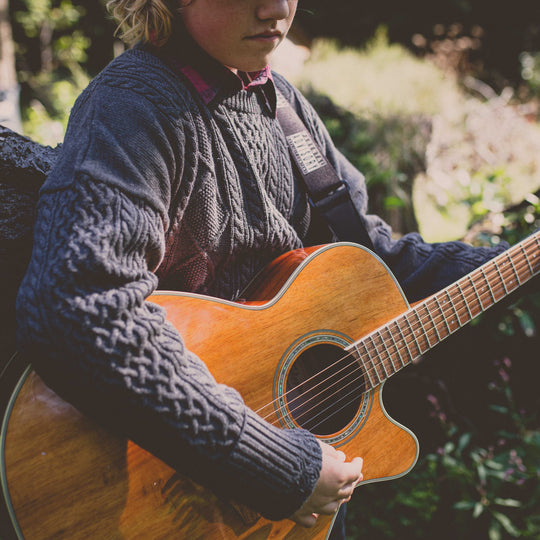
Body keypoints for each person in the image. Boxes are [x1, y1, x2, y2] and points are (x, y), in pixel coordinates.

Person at [15, 0, 507, 537]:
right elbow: (75, 307)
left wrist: (519, 263)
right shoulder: (131, 106)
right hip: (172, 497)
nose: (275, 8)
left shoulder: (281, 104)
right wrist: (270, 461)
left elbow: (372, 258)